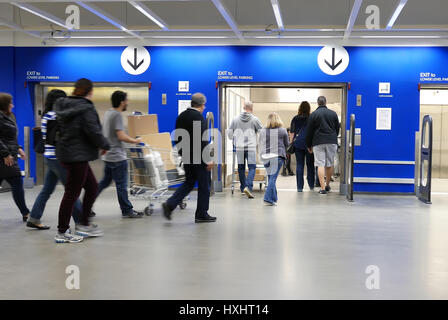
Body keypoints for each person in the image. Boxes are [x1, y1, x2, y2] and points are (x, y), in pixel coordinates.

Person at [54, 78, 110, 243]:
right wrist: (104, 144)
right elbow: (93, 131)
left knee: (92, 187)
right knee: (71, 193)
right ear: (90, 91)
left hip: (70, 153)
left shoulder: (63, 104)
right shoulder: (86, 108)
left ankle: (83, 224)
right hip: (77, 156)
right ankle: (62, 231)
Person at [27, 90, 83, 230]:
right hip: (60, 159)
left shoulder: (46, 116)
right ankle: (82, 223)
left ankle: (34, 218)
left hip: (50, 158)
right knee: (72, 190)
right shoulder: (58, 116)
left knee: (46, 190)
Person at [162, 93, 216, 223]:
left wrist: (182, 154)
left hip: (186, 156)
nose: (204, 107)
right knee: (204, 185)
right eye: (204, 105)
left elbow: (177, 138)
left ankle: (170, 204)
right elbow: (202, 141)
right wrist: (207, 159)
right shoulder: (198, 117)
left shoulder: (181, 116)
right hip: (199, 158)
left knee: (189, 182)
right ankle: (201, 214)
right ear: (202, 104)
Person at [96, 90, 143, 218]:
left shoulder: (107, 113)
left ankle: (86, 205)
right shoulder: (116, 115)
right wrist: (135, 141)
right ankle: (127, 210)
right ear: (122, 102)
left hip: (108, 155)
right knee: (121, 185)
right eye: (126, 100)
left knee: (104, 182)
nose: (127, 102)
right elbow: (120, 135)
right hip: (117, 156)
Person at [0, 92, 31, 221]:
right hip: (5, 158)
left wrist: (19, 148)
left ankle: (25, 213)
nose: (12, 105)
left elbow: (11, 137)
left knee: (17, 183)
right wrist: (5, 154)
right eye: (10, 103)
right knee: (17, 182)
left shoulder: (9, 116)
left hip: (10, 155)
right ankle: (25, 213)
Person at [227, 101, 262, 199]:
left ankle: (243, 188)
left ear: (243, 107)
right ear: (252, 108)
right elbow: (262, 132)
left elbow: (229, 134)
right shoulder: (255, 119)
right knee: (252, 167)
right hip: (251, 147)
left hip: (239, 147)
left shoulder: (235, 119)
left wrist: (236, 138)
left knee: (241, 168)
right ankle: (249, 188)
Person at [306, 96, 340, 195]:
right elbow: (337, 128)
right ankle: (328, 185)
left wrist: (309, 145)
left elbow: (310, 132)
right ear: (326, 102)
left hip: (318, 141)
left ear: (317, 103)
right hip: (331, 141)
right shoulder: (333, 114)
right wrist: (333, 137)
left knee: (320, 164)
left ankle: (322, 188)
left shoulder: (313, 115)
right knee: (329, 164)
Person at [259, 113, 289, 206]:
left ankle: (274, 198)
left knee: (271, 177)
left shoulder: (263, 131)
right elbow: (287, 144)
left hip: (265, 157)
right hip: (277, 156)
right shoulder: (283, 131)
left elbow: (260, 143)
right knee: (273, 179)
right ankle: (267, 199)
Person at [290, 101, 315, 192]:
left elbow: (292, 133)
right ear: (309, 109)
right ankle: (311, 185)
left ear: (300, 108)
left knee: (299, 165)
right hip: (309, 144)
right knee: (310, 165)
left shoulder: (295, 118)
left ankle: (299, 187)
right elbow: (314, 132)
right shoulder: (311, 118)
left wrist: (291, 142)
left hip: (298, 144)